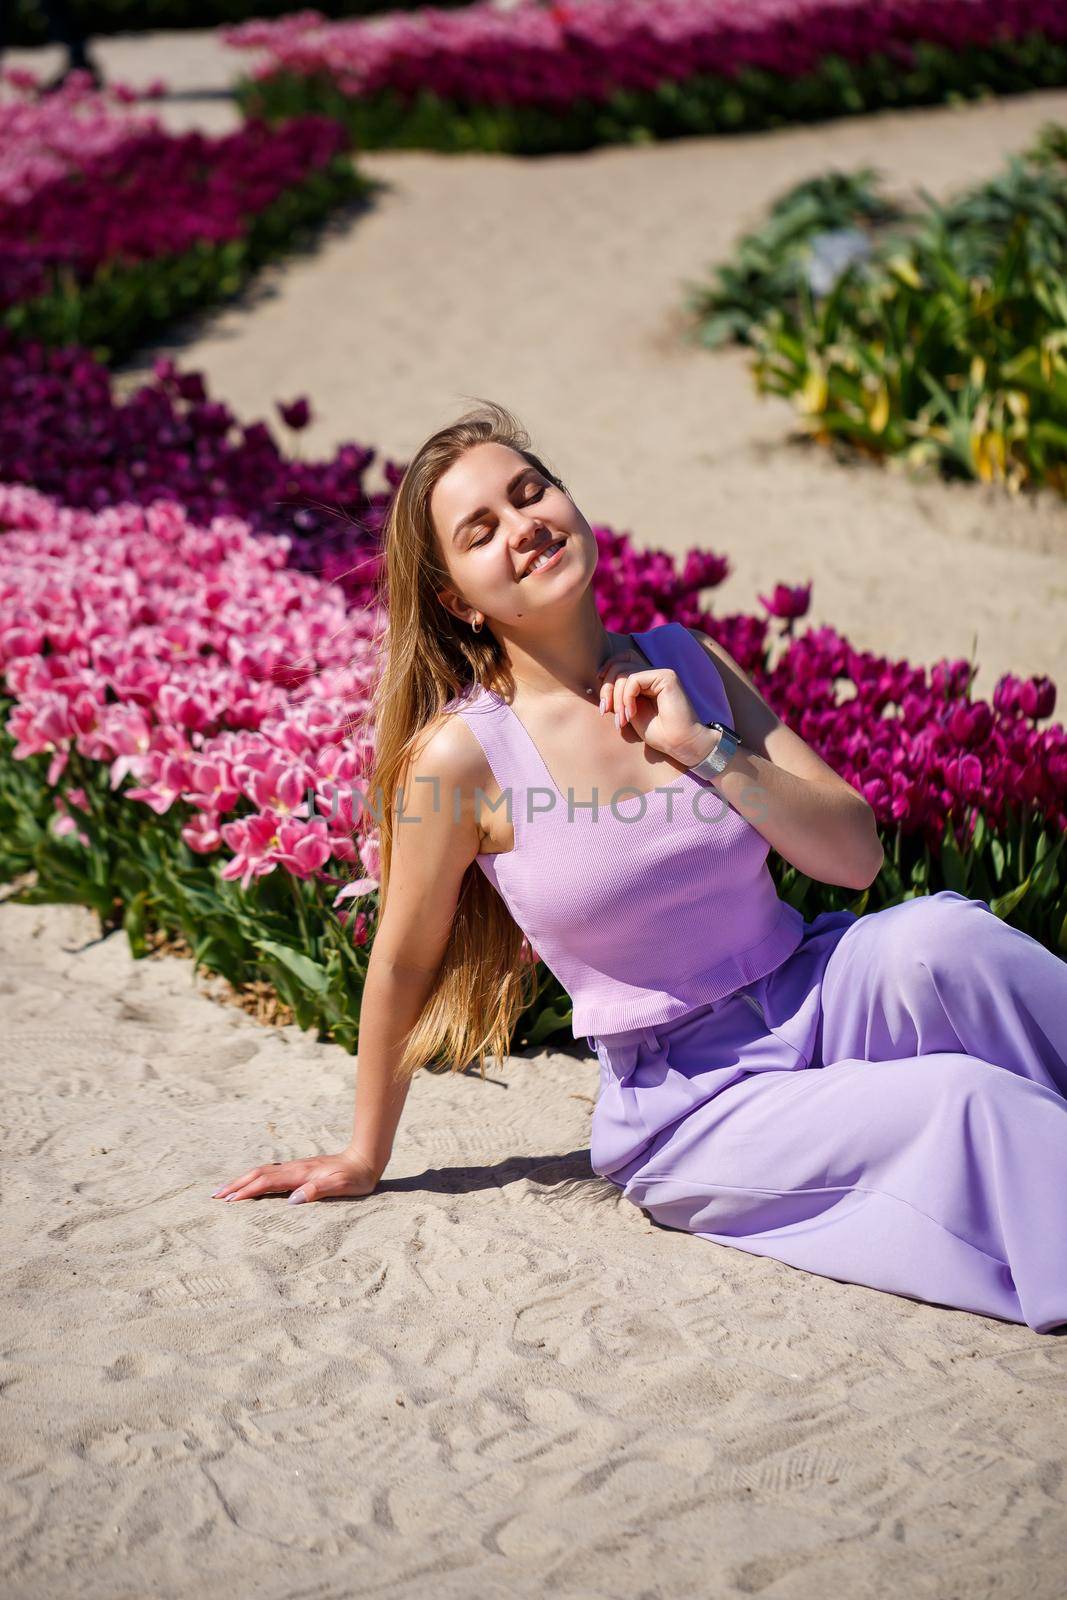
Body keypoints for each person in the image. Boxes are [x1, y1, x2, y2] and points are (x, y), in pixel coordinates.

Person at [213, 400, 1067, 1335]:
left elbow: (854, 860)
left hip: (814, 988)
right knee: (962, 1100)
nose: (524, 526)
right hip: (691, 1101)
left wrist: (705, 748)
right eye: (481, 530)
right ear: (457, 598)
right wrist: (363, 1152)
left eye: (532, 492)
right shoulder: (455, 760)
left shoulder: (685, 659)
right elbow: (406, 959)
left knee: (944, 937)